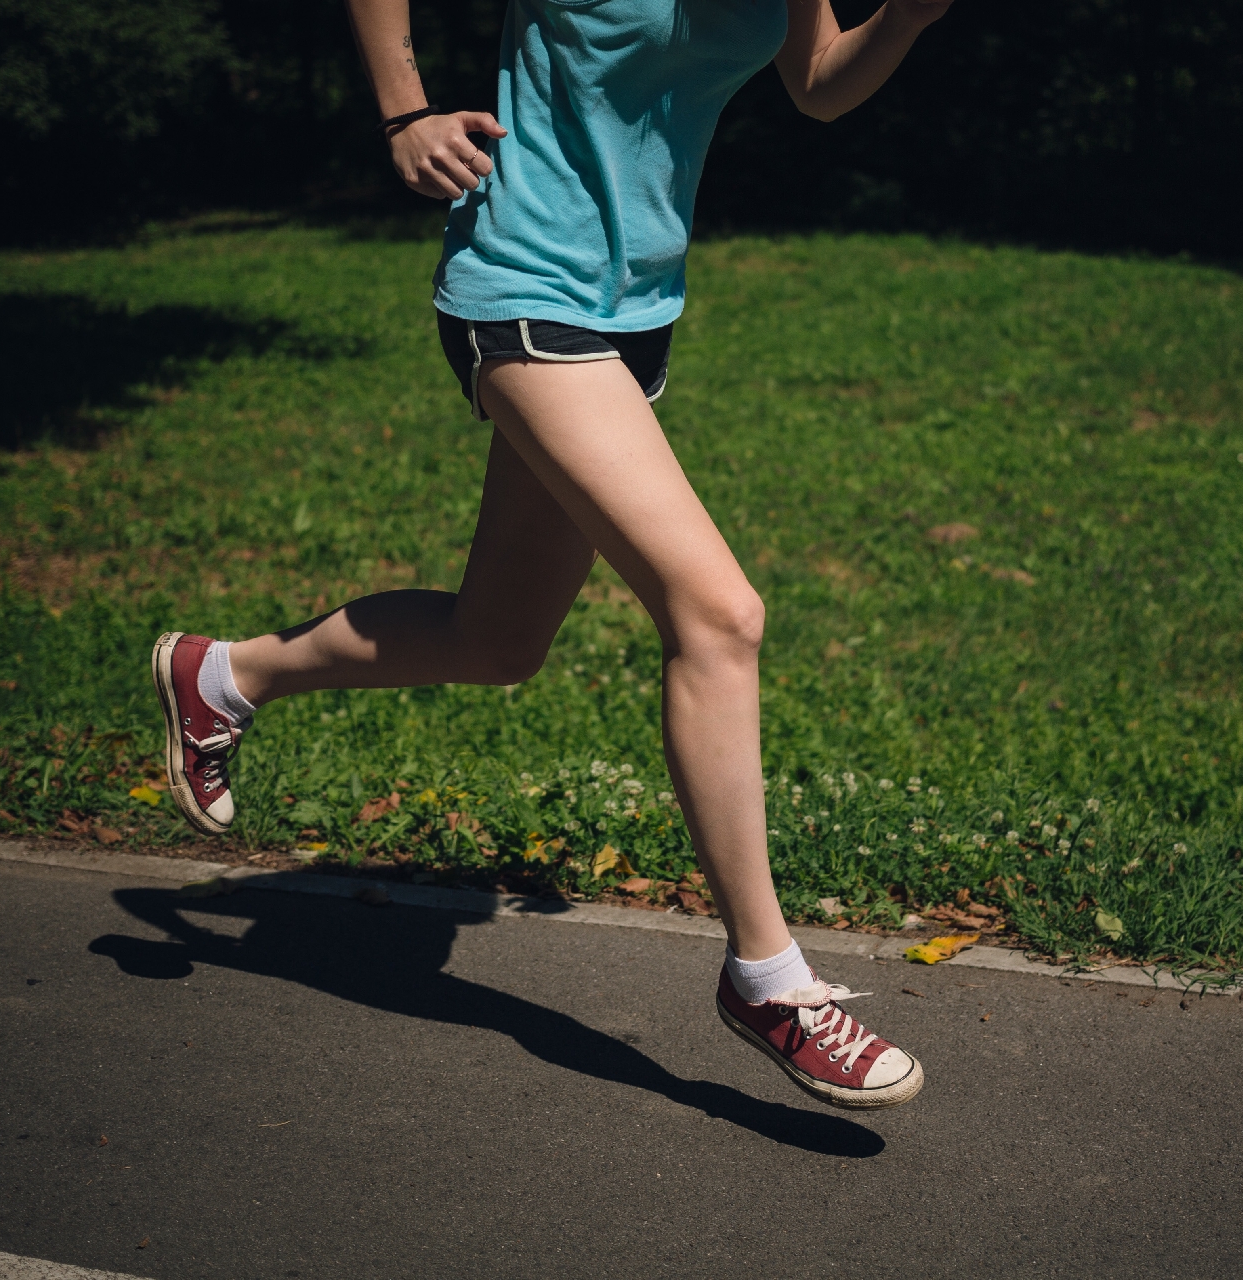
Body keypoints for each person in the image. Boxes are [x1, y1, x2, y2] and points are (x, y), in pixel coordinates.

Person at [149, 0, 955, 1110]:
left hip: (633, 304)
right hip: (524, 279)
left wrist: (903, 22)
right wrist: (404, 111)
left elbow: (815, 79)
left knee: (497, 638)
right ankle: (768, 978)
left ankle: (224, 672)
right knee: (719, 614)